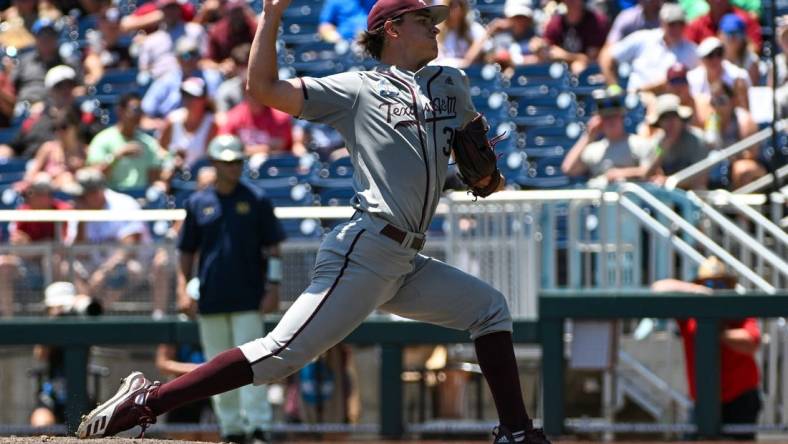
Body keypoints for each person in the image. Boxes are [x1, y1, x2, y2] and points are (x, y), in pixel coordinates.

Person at [77, 0, 550, 443]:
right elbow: (262, 90)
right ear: (392, 29)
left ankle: (516, 431)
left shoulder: (451, 83)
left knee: (490, 309)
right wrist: (272, 15)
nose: (435, 24)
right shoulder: (357, 89)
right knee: (280, 355)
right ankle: (148, 400)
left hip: (406, 258)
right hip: (365, 250)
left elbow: (458, 167)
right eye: (422, 18)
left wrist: (477, 179)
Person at [175, 135, 283, 443]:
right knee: (216, 368)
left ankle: (258, 427)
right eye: (227, 162)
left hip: (249, 296)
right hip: (211, 298)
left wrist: (273, 286)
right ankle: (231, 429)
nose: (234, 167)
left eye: (237, 161)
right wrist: (183, 288)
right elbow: (186, 251)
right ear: (215, 164)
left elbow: (273, 248)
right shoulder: (198, 203)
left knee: (254, 364)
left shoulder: (257, 199)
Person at [651, 256, 762, 441]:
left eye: (721, 285)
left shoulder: (737, 311)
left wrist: (717, 334)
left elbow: (751, 342)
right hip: (704, 399)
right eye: (709, 284)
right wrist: (696, 290)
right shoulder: (691, 310)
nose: (714, 290)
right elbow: (658, 288)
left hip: (740, 397)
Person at [71, 168, 170, 315]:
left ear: (96, 193)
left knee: (122, 271)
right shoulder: (79, 210)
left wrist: (103, 273)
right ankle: (88, 311)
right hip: (95, 263)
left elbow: (128, 249)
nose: (78, 199)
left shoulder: (123, 204)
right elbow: (77, 251)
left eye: (82, 195)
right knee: (69, 266)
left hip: (131, 262)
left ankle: (98, 314)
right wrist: (82, 221)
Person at [0, 173, 72, 317]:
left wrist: (33, 246)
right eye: (31, 193)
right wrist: (43, 247)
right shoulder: (23, 212)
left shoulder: (63, 210)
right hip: (28, 263)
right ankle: (8, 320)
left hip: (58, 263)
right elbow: (17, 248)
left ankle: (54, 318)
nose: (31, 197)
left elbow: (63, 247)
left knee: (53, 261)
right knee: (4, 265)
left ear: (49, 195)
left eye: (40, 193)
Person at [561, 88, 656, 187]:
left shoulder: (639, 143)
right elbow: (569, 169)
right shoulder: (594, 149)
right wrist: (588, 136)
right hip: (599, 199)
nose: (611, 121)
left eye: (614, 116)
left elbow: (651, 171)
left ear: (622, 117)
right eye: (606, 118)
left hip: (629, 197)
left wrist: (621, 173)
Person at [600, 3, 698, 92]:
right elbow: (607, 56)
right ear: (662, 23)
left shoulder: (692, 51)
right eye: (672, 24)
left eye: (680, 24)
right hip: (636, 103)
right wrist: (613, 87)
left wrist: (646, 89)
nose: (677, 28)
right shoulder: (643, 38)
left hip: (671, 105)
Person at [86, 93, 165, 192]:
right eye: (135, 110)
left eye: (140, 111)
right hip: (111, 198)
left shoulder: (148, 143)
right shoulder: (102, 139)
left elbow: (154, 177)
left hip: (141, 198)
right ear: (120, 111)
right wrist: (117, 156)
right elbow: (95, 176)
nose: (138, 115)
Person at [140, 37, 222, 129]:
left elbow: (219, 111)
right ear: (177, 58)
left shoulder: (212, 78)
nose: (191, 59)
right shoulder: (166, 80)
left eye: (194, 54)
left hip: (204, 128)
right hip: (171, 130)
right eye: (186, 55)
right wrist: (160, 125)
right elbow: (145, 114)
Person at [643, 94, 708, 188]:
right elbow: (646, 175)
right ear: (659, 123)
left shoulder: (697, 141)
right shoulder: (658, 143)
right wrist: (661, 152)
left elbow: (700, 181)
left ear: (681, 119)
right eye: (665, 117)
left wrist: (668, 181)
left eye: (673, 116)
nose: (670, 122)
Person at [158, 77, 217, 173]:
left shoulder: (213, 123)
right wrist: (172, 157)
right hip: (174, 177)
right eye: (185, 95)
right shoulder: (173, 119)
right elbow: (161, 149)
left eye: (193, 96)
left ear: (204, 99)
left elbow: (212, 158)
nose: (188, 100)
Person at [136, 0, 206, 80]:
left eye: (174, 8)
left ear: (180, 9)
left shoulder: (195, 31)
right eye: (167, 8)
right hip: (161, 82)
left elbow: (205, 59)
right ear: (161, 10)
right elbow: (144, 70)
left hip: (192, 81)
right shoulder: (151, 41)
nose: (170, 12)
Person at [220, 92, 299, 161]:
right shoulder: (234, 116)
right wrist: (267, 148)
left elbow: (283, 146)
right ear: (245, 93)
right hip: (241, 165)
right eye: (252, 93)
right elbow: (226, 147)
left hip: (273, 166)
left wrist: (244, 149)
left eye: (259, 93)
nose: (255, 98)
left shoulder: (280, 117)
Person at [24, 107, 88, 191]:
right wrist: (51, 176)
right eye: (55, 127)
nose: (59, 132)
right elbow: (30, 176)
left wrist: (78, 170)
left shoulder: (85, 151)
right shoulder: (48, 148)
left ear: (75, 127)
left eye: (63, 127)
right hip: (49, 194)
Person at [542, 0, 610, 73]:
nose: (571, 1)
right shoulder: (554, 23)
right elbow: (547, 51)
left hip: (593, 74)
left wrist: (565, 56)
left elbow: (591, 58)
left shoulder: (597, 21)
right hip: (560, 73)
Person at [687, 37, 750, 109]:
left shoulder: (739, 76)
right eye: (710, 56)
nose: (715, 59)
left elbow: (744, 107)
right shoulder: (691, 78)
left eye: (719, 54)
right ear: (702, 59)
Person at [83, 7, 134, 86]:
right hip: (103, 85)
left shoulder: (128, 46)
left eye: (115, 25)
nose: (111, 27)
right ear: (100, 24)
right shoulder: (94, 47)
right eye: (105, 22)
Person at [483, 0, 543, 67]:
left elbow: (542, 59)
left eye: (523, 17)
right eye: (516, 17)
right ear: (509, 17)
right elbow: (498, 58)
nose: (520, 21)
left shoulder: (536, 35)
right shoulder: (501, 36)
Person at [684, 0, 761, 52]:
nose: (718, 1)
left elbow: (755, 49)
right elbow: (688, 51)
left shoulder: (745, 19)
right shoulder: (697, 25)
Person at [433, 0, 486, 68]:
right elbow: (437, 59)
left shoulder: (475, 29)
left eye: (459, 4)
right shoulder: (436, 29)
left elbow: (468, 62)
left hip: (465, 72)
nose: (456, 8)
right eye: (451, 4)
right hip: (441, 71)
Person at [718, 13, 759, 86]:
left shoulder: (751, 59)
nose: (733, 39)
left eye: (737, 34)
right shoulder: (714, 56)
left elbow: (751, 89)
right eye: (729, 34)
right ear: (720, 35)